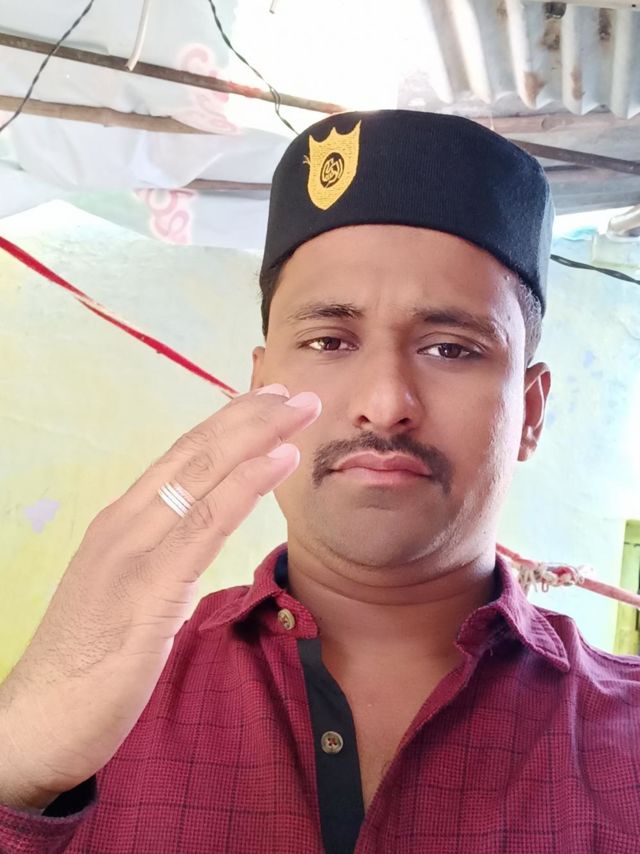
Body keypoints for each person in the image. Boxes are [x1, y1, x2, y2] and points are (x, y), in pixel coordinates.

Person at [0, 110, 638, 854]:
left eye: (451, 348)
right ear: (260, 388)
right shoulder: (95, 705)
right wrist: (17, 770)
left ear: (530, 411)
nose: (386, 403)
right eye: (329, 341)